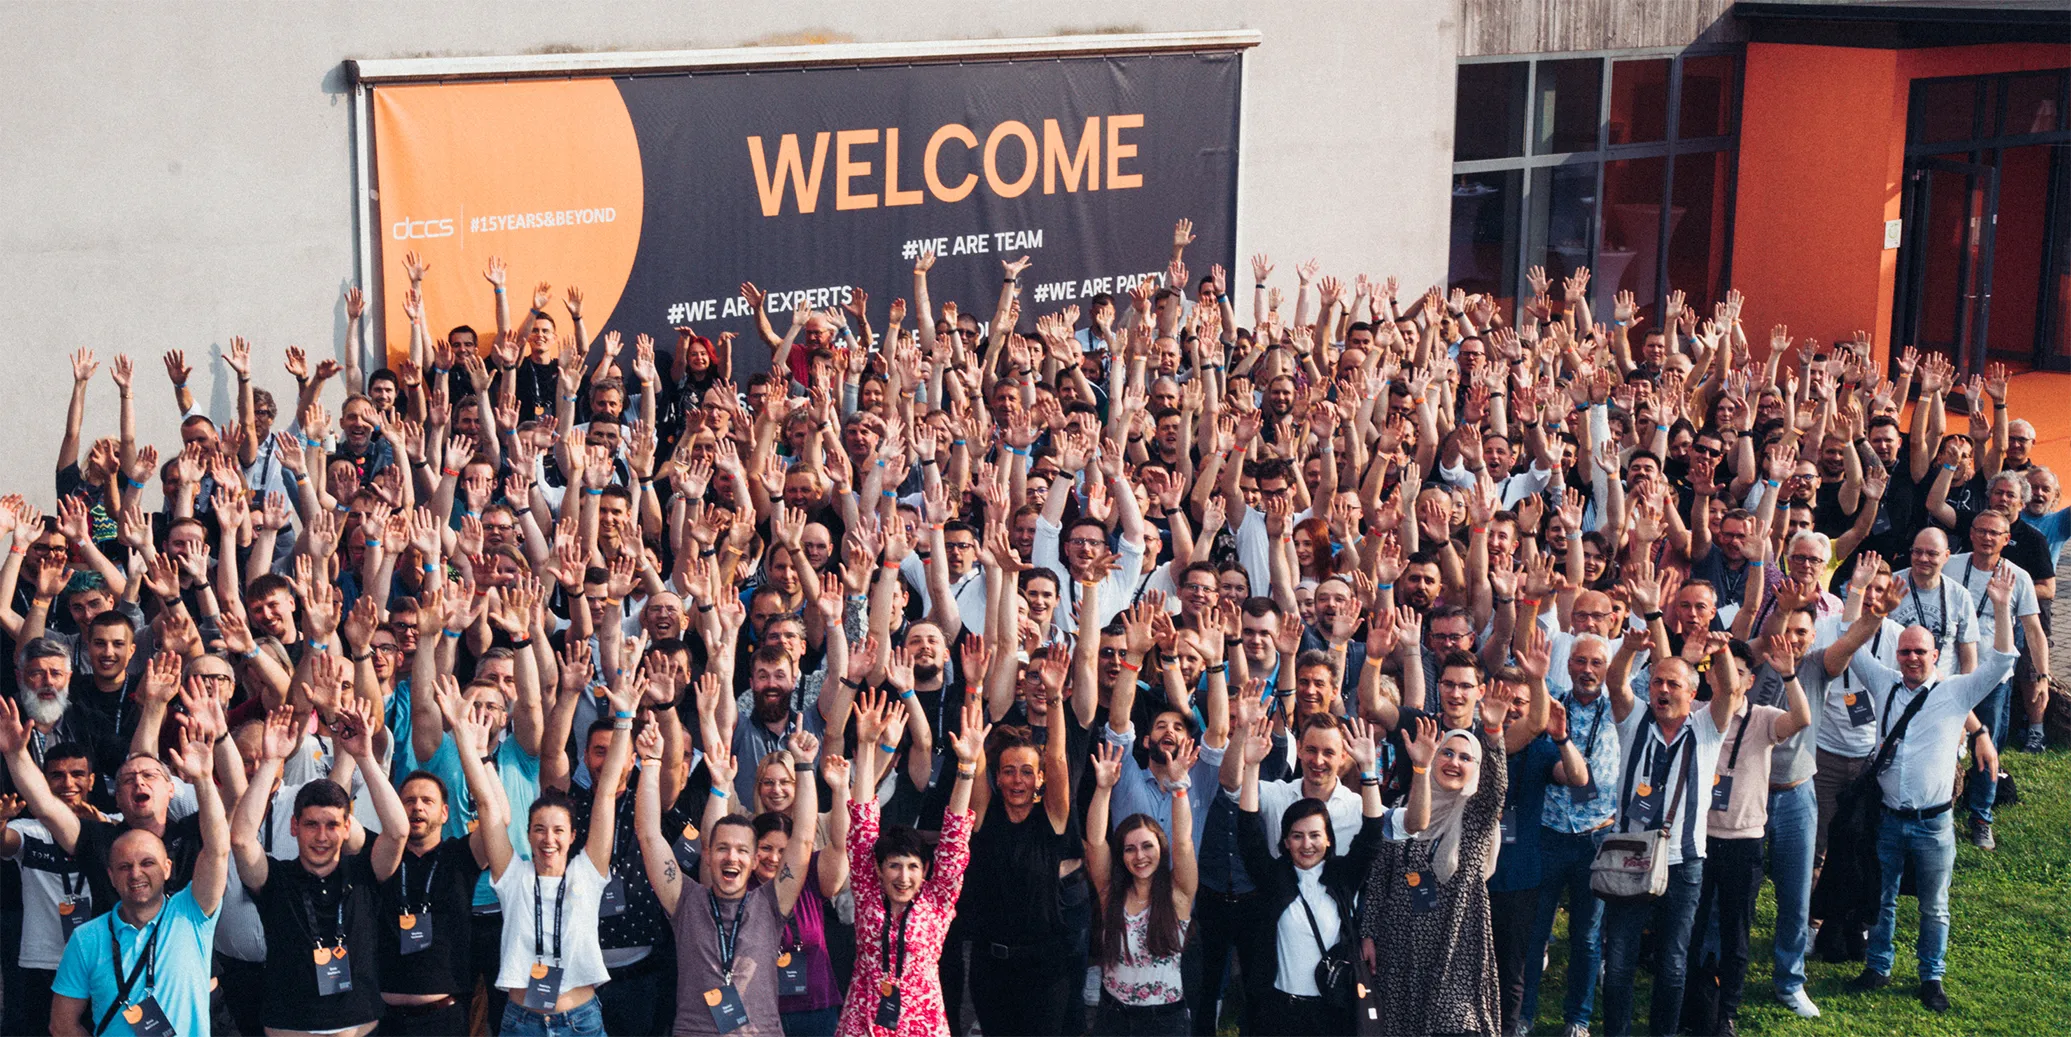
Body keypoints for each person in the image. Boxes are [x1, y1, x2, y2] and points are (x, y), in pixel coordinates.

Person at [1839, 562, 2019, 1013]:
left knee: (1934, 906)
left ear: (1936, 654)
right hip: (1888, 818)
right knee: (1883, 898)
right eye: (1905, 652)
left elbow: (2001, 662)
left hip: (1934, 824)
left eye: (1920, 651)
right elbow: (1851, 643)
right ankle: (1878, 967)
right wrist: (1858, 594)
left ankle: (1931, 977)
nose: (1912, 658)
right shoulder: (1884, 683)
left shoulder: (1956, 692)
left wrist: (2000, 608)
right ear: (1896, 655)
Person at [1596, 630, 1749, 1037]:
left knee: (1673, 963)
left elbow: (1729, 691)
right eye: (1657, 682)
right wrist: (1630, 649)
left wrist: (1721, 651)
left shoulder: (1707, 728)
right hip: (1629, 855)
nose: (1663, 690)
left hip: (1684, 862)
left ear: (1692, 693)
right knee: (1620, 961)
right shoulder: (1634, 721)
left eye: (1673, 684)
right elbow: (1616, 683)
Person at [230, 694, 411, 1037]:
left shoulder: (364, 873)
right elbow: (240, 840)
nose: (322, 836)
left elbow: (399, 832)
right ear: (294, 826)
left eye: (332, 825)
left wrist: (364, 757)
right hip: (289, 1027)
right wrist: (271, 762)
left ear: (347, 827)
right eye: (311, 824)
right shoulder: (276, 878)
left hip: (359, 1027)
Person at [633, 716, 820, 1037]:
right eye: (722, 848)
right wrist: (650, 763)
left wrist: (803, 766)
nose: (732, 856)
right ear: (707, 855)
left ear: (754, 860)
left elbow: (803, 839)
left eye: (742, 850)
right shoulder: (685, 900)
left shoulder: (771, 902)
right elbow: (649, 835)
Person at [477, 665, 634, 1036]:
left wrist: (625, 719)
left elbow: (606, 791)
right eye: (539, 830)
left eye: (559, 830)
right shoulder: (512, 875)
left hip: (581, 1022)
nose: (549, 839)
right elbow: (487, 806)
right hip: (521, 1024)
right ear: (528, 835)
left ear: (573, 835)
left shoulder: (587, 872)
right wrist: (479, 753)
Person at [47, 719, 230, 1037]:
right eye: (124, 867)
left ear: (168, 868)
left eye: (148, 863)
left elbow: (217, 850)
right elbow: (61, 1025)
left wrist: (203, 779)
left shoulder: (191, 914)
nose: (136, 874)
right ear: (110, 875)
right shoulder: (87, 939)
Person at [1679, 637, 1813, 1037]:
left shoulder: (1764, 717)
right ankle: (1690, 1008)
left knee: (1736, 932)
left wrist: (1788, 675)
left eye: (1738, 672)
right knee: (1691, 928)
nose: (1730, 678)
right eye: (1722, 670)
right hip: (1699, 839)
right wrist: (1687, 660)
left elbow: (1802, 719)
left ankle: (1727, 1013)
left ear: (1750, 680)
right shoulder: (1698, 713)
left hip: (1744, 840)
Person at [834, 687, 981, 1037]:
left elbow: (954, 839)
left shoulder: (937, 900)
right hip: (862, 1024)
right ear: (879, 870)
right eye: (895, 866)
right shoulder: (868, 893)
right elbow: (863, 823)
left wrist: (967, 768)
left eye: (913, 867)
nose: (903, 876)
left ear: (925, 871)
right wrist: (866, 746)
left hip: (922, 1025)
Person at [1232, 707, 1387, 1036]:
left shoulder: (1343, 878)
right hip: (1277, 1013)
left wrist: (1368, 770)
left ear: (1329, 840)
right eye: (1297, 836)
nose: (1306, 845)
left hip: (1331, 1012)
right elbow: (1248, 831)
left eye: (1315, 836)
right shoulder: (1273, 878)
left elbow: (1373, 834)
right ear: (1285, 842)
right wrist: (1251, 766)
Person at [1085, 740, 1198, 1036]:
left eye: (1148, 846)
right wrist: (1103, 789)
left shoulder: (1178, 894)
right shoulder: (1111, 893)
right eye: (1130, 849)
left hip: (1164, 1021)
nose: (1140, 856)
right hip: (1113, 1016)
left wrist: (1179, 788)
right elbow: (1095, 842)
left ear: (1161, 848)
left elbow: (1183, 842)